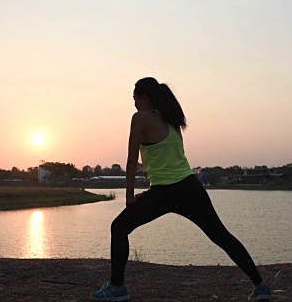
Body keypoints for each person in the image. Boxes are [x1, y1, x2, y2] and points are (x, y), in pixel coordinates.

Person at [91, 77, 271, 302]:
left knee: (119, 227)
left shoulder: (140, 118)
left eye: (134, 99)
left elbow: (130, 160)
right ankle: (260, 286)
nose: (134, 104)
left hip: (165, 191)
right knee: (220, 235)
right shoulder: (171, 120)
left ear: (144, 98)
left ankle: (117, 288)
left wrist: (129, 198)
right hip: (189, 188)